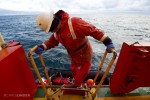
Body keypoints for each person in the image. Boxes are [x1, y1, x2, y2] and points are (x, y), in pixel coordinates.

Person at [35, 10, 115, 87]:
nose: (51, 32)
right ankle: (76, 81)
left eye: (50, 30)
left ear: (54, 24)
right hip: (73, 57)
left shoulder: (74, 23)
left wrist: (108, 42)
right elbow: (51, 42)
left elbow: (93, 30)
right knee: (74, 70)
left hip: (85, 56)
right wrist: (42, 47)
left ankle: (77, 85)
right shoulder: (57, 33)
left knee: (82, 74)